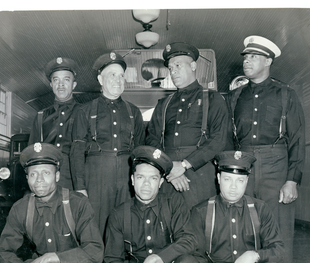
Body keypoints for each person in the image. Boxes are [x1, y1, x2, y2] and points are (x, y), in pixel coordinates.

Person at [226, 35, 305, 263]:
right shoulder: (235, 95)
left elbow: (297, 139)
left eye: (253, 57)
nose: (246, 61)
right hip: (243, 166)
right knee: (243, 226)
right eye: (245, 57)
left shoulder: (286, 94)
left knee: (279, 231)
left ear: (268, 61)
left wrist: (292, 180)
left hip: (276, 164)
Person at [0, 143, 104, 263]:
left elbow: (95, 250)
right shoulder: (21, 208)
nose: (39, 179)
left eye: (46, 173)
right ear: (27, 178)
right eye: (33, 174)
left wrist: (50, 258)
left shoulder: (78, 203)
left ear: (57, 176)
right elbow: (0, 254)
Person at [101, 146, 201, 263]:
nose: (146, 184)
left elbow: (189, 240)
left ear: (161, 182)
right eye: (140, 177)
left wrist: (154, 259)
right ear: (132, 180)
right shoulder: (118, 214)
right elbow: (111, 259)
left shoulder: (173, 203)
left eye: (153, 178)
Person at [191, 151, 286, 263]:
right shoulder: (201, 211)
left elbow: (279, 249)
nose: (233, 187)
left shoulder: (260, 208)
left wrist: (253, 255)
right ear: (219, 179)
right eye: (227, 179)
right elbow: (193, 256)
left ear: (247, 181)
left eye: (240, 180)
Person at [146, 42, 233, 210]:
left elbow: (219, 140)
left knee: (199, 227)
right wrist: (169, 168)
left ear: (193, 66)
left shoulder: (214, 99)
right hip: (168, 174)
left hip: (199, 173)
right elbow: (152, 139)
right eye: (170, 68)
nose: (173, 71)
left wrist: (184, 165)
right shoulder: (164, 104)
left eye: (178, 65)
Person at [70, 52, 145, 237]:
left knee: (127, 223)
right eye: (112, 75)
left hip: (127, 176)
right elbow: (77, 151)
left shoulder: (134, 112)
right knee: (97, 225)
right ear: (100, 79)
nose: (118, 80)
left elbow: (141, 150)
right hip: (96, 176)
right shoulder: (84, 111)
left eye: (121, 76)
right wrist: (80, 187)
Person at [28, 57, 83, 192]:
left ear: (74, 85)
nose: (61, 84)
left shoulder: (85, 113)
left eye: (66, 80)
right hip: (47, 178)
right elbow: (32, 154)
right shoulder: (41, 116)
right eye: (56, 80)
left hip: (76, 179)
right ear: (51, 85)